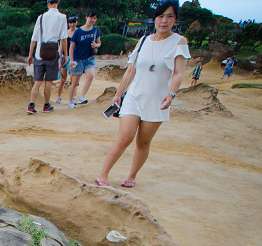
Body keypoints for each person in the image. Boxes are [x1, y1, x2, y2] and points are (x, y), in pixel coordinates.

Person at [95, 0, 189, 188]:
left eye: (169, 16)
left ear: (175, 19)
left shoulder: (179, 41)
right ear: (154, 19)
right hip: (134, 97)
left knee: (143, 142)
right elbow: (130, 71)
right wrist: (118, 94)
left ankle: (132, 176)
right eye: (161, 16)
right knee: (124, 137)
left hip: (157, 100)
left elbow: (179, 73)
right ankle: (103, 175)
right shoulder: (144, 40)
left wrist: (172, 94)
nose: (164, 20)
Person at [26, 0, 68, 114]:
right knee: (48, 81)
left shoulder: (41, 17)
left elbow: (34, 38)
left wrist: (30, 54)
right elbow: (64, 38)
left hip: (39, 53)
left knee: (38, 81)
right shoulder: (62, 17)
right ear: (58, 2)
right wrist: (66, 55)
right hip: (53, 54)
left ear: (48, 3)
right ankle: (46, 105)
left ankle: (31, 105)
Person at [68, 9, 102, 108]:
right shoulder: (78, 31)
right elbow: (72, 46)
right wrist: (71, 60)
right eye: (91, 18)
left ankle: (82, 96)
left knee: (90, 75)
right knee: (74, 82)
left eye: (95, 18)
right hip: (78, 58)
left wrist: (96, 45)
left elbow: (99, 43)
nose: (92, 20)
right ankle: (70, 101)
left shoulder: (95, 30)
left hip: (89, 58)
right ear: (87, 17)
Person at [56, 14, 79, 104]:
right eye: (70, 22)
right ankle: (59, 96)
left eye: (74, 22)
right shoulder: (65, 33)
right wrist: (59, 61)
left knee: (74, 79)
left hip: (74, 57)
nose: (72, 24)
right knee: (63, 79)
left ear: (77, 22)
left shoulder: (78, 32)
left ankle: (74, 96)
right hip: (65, 57)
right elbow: (61, 48)